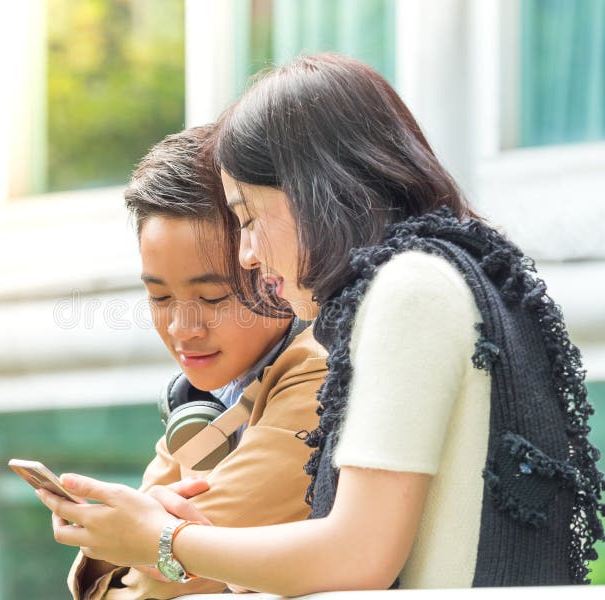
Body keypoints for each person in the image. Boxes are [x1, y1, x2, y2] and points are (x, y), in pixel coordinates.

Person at [38, 54, 605, 592]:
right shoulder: (447, 273)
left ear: (313, 193)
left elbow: (357, 554)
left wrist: (164, 540)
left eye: (248, 217)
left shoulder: (409, 287)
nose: (249, 256)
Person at [65, 124, 328, 600]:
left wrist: (141, 543)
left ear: (266, 263)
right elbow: (122, 571)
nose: (183, 329)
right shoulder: (199, 395)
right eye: (160, 296)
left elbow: (158, 577)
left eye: (210, 297)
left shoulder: (318, 371)